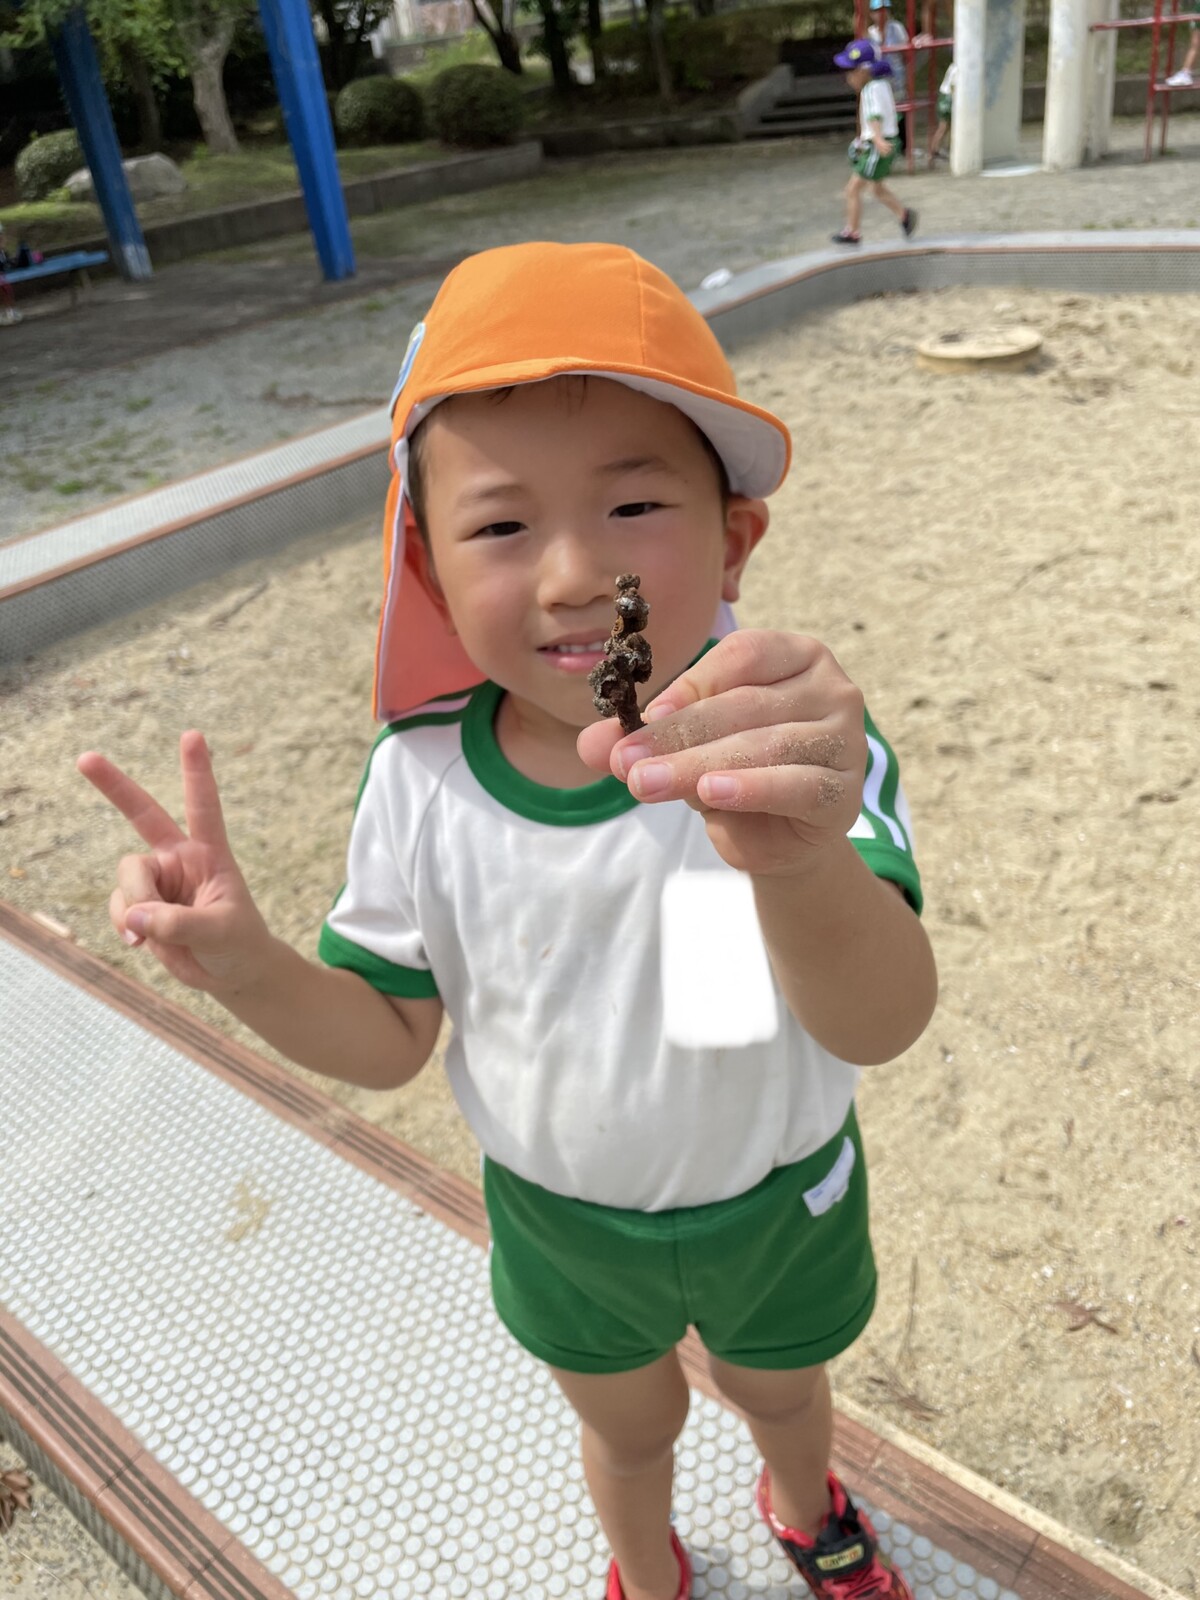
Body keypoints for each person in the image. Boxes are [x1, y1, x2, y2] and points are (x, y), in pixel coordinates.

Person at [78, 241, 937, 1600]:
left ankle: (802, 1502)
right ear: (424, 564)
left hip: (778, 1193)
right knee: (629, 1427)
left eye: (635, 504)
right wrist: (246, 966)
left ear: (735, 538)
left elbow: (879, 1021)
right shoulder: (421, 784)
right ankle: (647, 1570)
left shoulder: (793, 742)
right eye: (500, 527)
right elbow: (387, 1039)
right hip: (561, 1216)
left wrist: (797, 862)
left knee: (783, 1385)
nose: (576, 574)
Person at [833, 40, 918, 246]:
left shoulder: (870, 89)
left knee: (852, 189)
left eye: (851, 71)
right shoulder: (883, 86)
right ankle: (905, 216)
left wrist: (877, 138)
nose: (848, 77)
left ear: (864, 70)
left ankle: (852, 232)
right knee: (876, 189)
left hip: (878, 146)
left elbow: (875, 115)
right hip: (885, 141)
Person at [867, 0, 911, 152]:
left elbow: (906, 54)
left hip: (897, 77)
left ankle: (904, 146)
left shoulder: (896, 28)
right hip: (879, 80)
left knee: (901, 110)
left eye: (885, 9)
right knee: (882, 110)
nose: (882, 13)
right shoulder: (871, 33)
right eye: (878, 10)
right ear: (872, 14)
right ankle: (886, 144)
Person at [928, 58, 956, 165]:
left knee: (946, 127)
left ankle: (937, 150)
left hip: (944, 95)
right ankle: (933, 152)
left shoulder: (953, 66)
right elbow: (953, 86)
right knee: (944, 127)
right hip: (947, 97)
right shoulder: (957, 68)